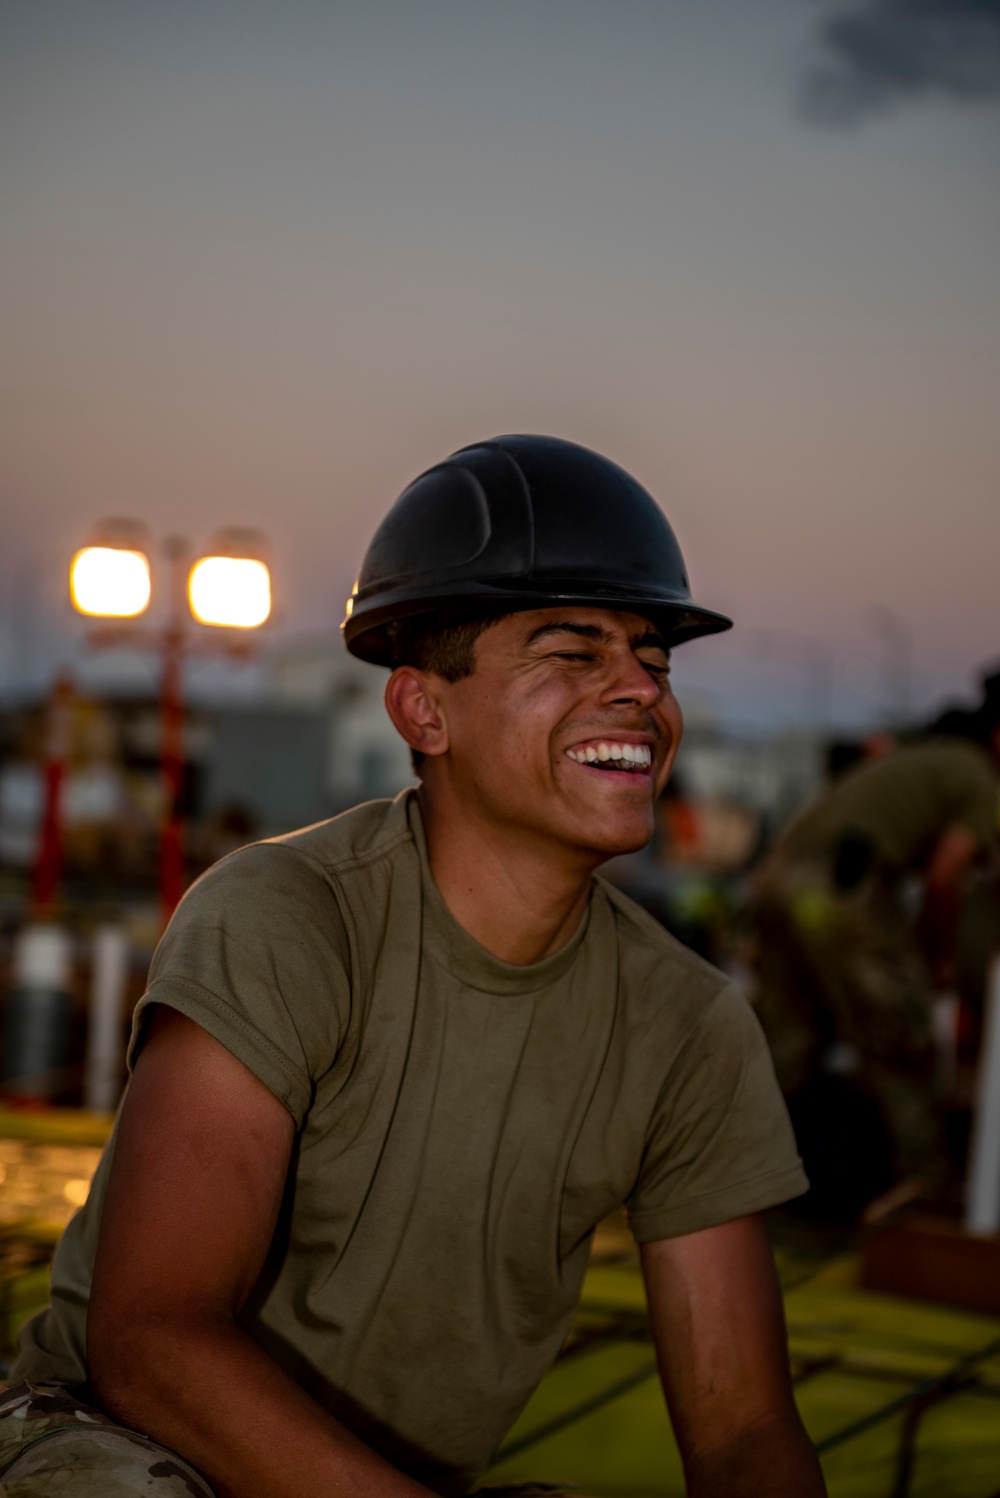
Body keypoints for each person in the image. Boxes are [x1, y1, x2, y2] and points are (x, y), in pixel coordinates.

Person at [5, 436, 823, 1497]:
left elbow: (743, 1436)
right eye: (573, 653)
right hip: (110, 1444)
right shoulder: (287, 917)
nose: (640, 692)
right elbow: (152, 1341)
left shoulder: (689, 1028)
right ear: (421, 710)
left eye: (654, 660)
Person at [752, 685, 1000, 1217]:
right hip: (838, 887)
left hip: (782, 880)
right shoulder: (978, 775)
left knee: (787, 1039)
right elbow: (944, 877)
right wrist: (936, 959)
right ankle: (926, 1183)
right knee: (899, 1032)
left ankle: (722, 1170)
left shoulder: (927, 757)